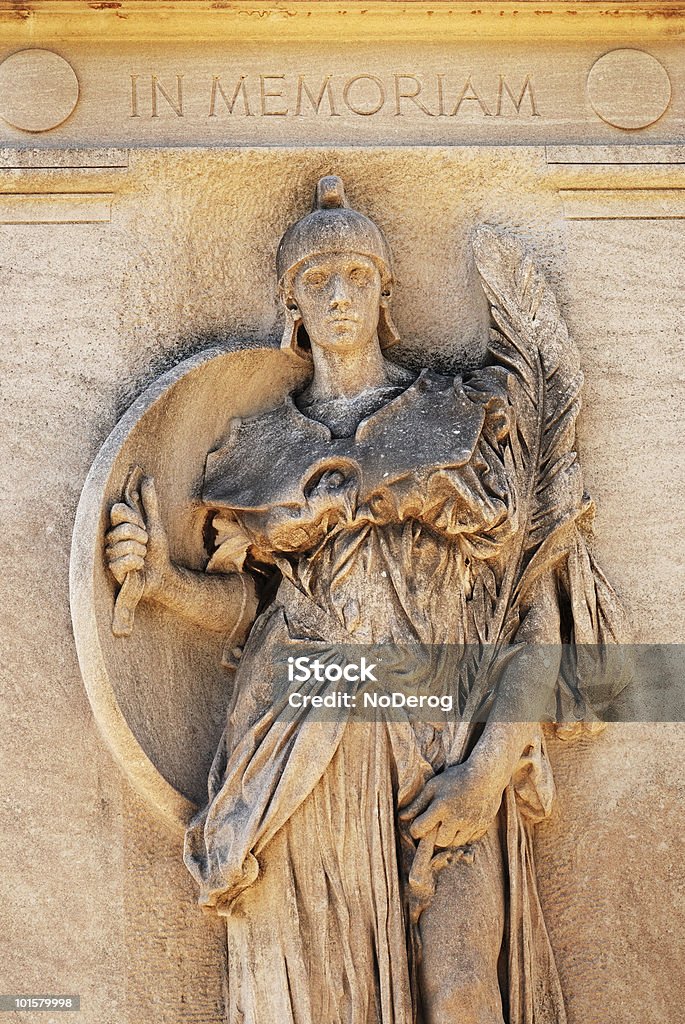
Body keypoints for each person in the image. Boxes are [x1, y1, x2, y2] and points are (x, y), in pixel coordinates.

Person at [105, 176, 625, 1024]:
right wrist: (161, 584)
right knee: (313, 1000)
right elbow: (253, 610)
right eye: (316, 281)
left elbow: (531, 600)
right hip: (302, 742)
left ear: (387, 292)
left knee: (462, 995)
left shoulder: (459, 421)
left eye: (355, 275)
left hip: (444, 735)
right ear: (291, 306)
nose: (338, 294)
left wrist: (489, 768)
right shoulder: (258, 450)